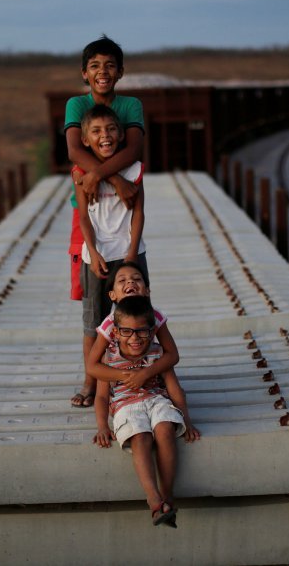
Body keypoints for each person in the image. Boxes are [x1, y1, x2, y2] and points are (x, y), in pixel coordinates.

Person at [65, 35, 145, 406]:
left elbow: (133, 148)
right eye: (95, 66)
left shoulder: (130, 105)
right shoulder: (76, 104)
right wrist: (110, 179)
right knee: (92, 308)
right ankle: (90, 380)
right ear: (84, 72)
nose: (102, 72)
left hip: (122, 219)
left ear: (121, 71)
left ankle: (136, 372)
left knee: (131, 302)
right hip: (89, 213)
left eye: (110, 65)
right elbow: (75, 150)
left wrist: (98, 174)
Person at [92, 296, 200, 528]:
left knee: (164, 430)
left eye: (142, 332)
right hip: (125, 406)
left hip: (157, 400)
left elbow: (174, 389)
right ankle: (153, 499)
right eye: (127, 332)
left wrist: (187, 421)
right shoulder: (108, 359)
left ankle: (168, 496)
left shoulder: (158, 354)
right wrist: (102, 425)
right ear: (116, 332)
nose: (134, 338)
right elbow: (101, 396)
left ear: (152, 332)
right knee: (140, 437)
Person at [85, 261, 179, 393]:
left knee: (165, 360)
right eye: (122, 280)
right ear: (112, 295)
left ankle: (173, 396)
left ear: (147, 291)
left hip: (148, 365)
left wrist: (144, 374)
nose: (130, 282)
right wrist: (127, 376)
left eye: (136, 279)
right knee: (103, 359)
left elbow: (173, 354)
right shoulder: (110, 323)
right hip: (120, 373)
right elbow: (92, 366)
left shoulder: (155, 315)